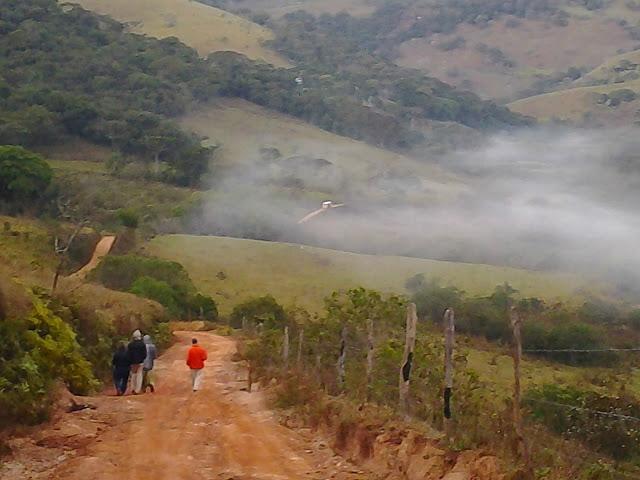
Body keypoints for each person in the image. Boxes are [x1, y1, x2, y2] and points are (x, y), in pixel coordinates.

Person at [128, 329, 147, 394]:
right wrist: (142, 359)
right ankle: (137, 390)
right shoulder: (142, 344)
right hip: (140, 362)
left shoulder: (130, 344)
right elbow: (145, 354)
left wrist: (130, 360)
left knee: (133, 374)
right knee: (139, 375)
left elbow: (128, 354)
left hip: (132, 362)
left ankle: (132, 388)